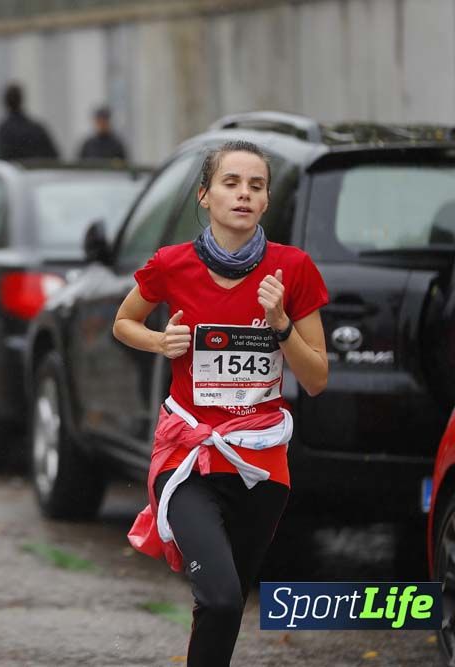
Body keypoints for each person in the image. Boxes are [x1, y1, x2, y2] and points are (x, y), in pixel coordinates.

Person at [113, 140, 328, 667]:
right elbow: (123, 322)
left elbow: (316, 378)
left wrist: (281, 325)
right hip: (188, 457)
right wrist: (160, 341)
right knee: (221, 597)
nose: (244, 194)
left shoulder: (292, 269)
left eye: (256, 186)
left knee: (225, 606)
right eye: (231, 183)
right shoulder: (172, 264)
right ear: (205, 195)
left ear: (267, 200)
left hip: (260, 465)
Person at [0, 82, 59, 161]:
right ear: (21, 100)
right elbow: (54, 156)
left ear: (5, 102)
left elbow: (0, 160)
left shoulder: (3, 131)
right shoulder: (36, 128)